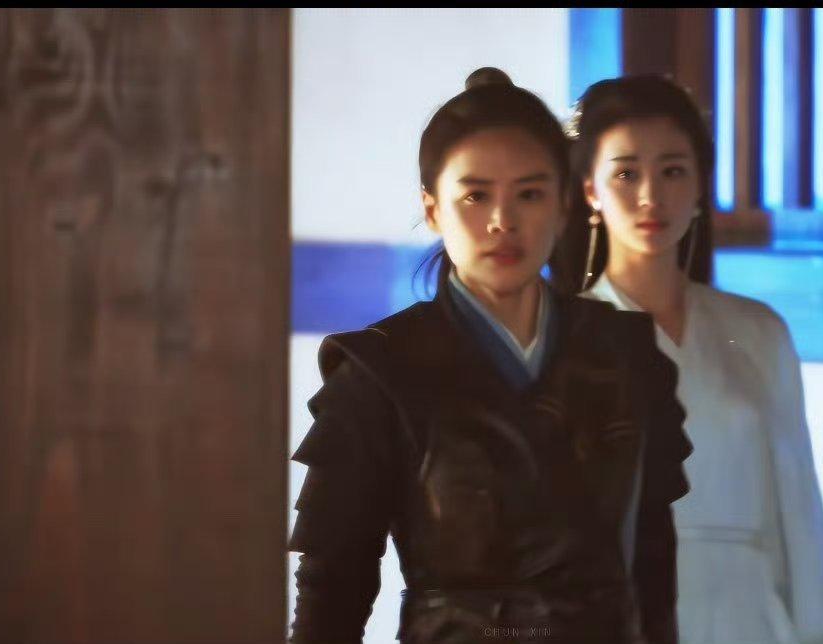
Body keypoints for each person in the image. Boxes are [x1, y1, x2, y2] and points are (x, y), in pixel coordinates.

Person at [288, 68, 692, 644]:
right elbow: (331, 595)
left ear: (563, 205)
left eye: (529, 194)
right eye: (476, 196)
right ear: (433, 209)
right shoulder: (378, 371)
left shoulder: (626, 353)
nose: (503, 221)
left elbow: (653, 574)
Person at [552, 75, 823, 644]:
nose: (651, 196)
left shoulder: (758, 332)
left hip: (750, 614)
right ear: (590, 190)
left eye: (673, 171)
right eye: (626, 173)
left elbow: (799, 513)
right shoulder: (559, 338)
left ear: (700, 184)